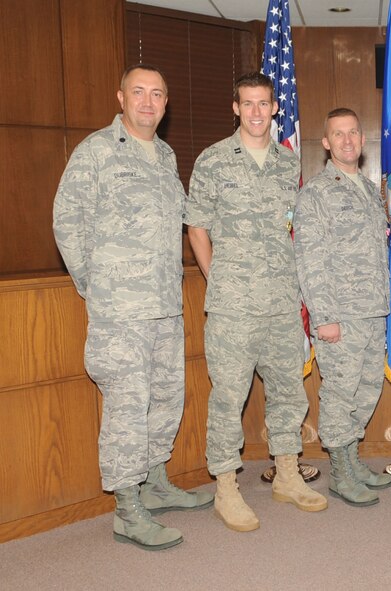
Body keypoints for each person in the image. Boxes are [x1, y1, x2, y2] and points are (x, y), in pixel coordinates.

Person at [53, 64, 213, 551]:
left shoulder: (164, 155)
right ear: (120, 97)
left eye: (158, 94)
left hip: (163, 305)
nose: (148, 102)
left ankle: (154, 482)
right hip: (119, 313)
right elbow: (66, 220)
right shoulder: (96, 152)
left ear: (166, 104)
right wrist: (95, 284)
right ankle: (127, 507)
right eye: (139, 92)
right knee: (127, 407)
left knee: (166, 399)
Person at [186, 72, 326, 533]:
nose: (256, 111)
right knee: (228, 398)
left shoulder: (288, 164)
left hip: (283, 303)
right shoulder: (213, 161)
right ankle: (226, 487)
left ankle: (287, 473)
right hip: (233, 307)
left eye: (264, 103)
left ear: (274, 108)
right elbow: (198, 228)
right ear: (236, 108)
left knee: (289, 392)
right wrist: (219, 277)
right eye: (247, 103)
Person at [294, 108, 391, 507]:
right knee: (339, 392)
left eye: (354, 132)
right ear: (327, 143)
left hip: (373, 310)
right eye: (340, 133)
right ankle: (340, 471)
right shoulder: (317, 193)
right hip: (341, 315)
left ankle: (352, 460)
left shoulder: (370, 191)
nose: (349, 140)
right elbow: (310, 259)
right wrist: (325, 318)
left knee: (366, 390)